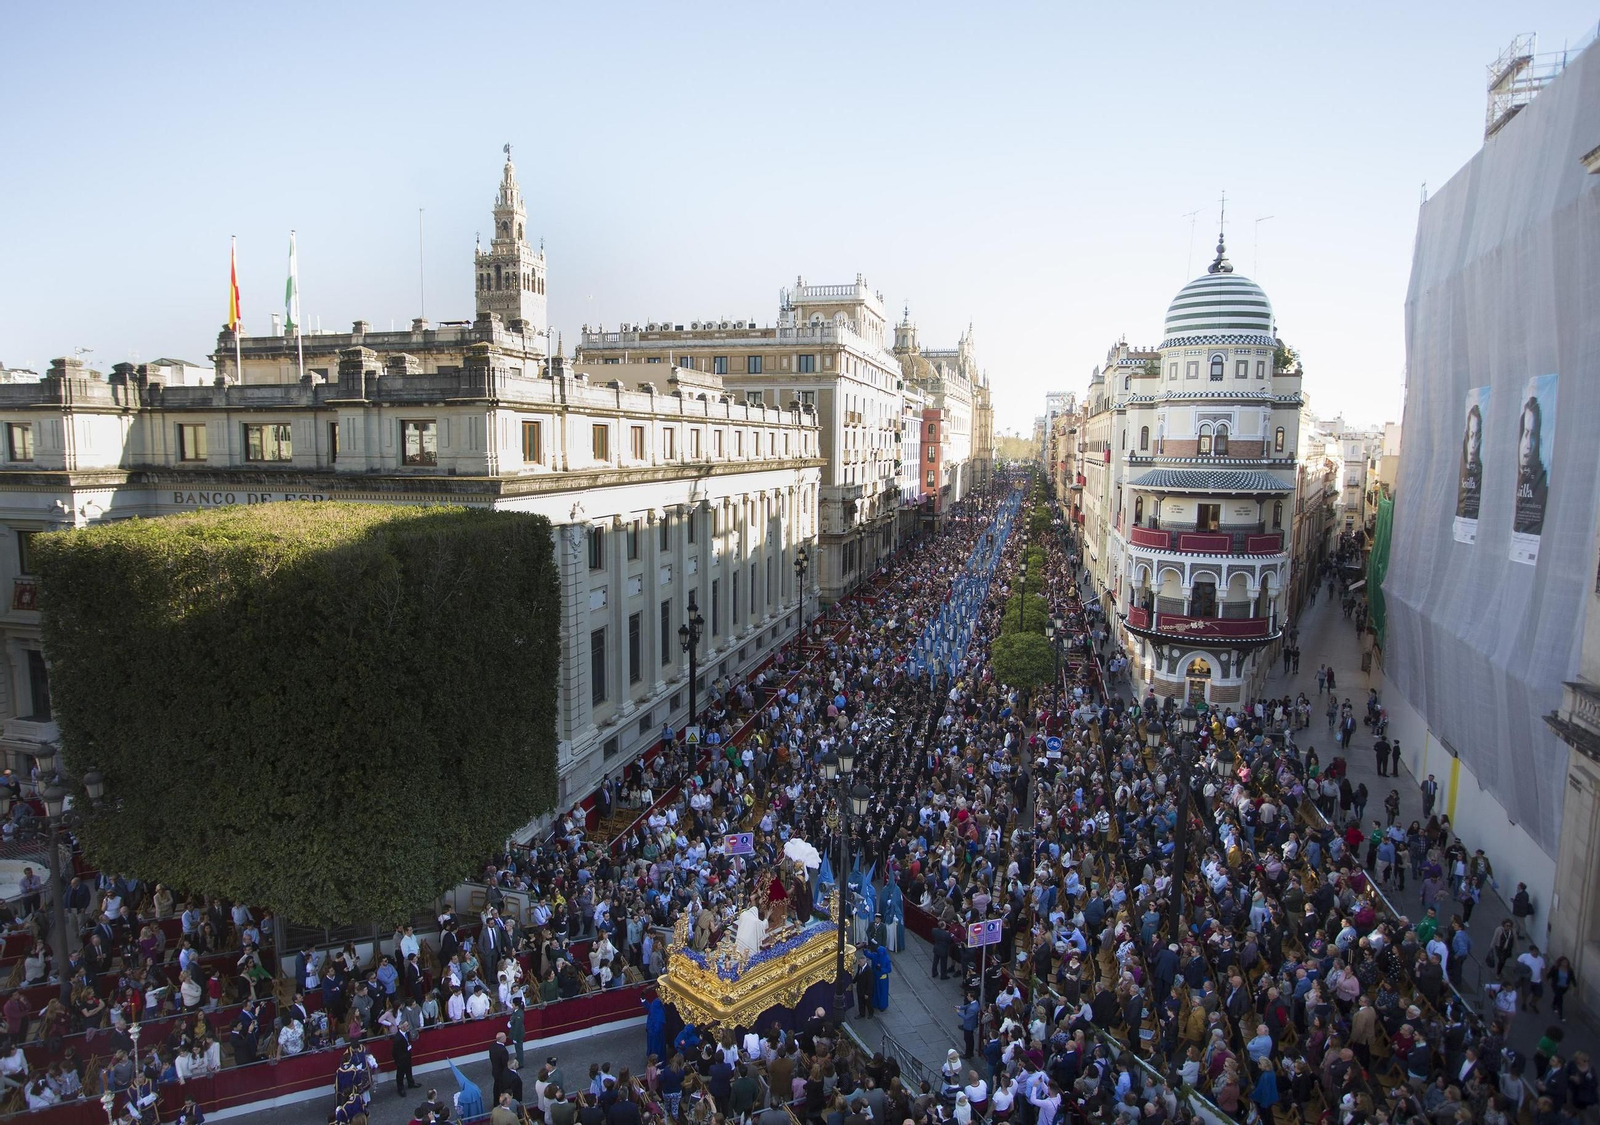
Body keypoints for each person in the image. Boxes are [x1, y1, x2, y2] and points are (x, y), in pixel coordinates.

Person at [393, 1021, 417, 1096]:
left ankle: (411, 1083)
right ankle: (400, 1088)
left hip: (407, 1056)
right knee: (400, 1074)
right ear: (402, 1027)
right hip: (401, 1059)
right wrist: (397, 1061)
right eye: (406, 1026)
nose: (408, 1027)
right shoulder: (398, 1038)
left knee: (408, 1070)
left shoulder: (406, 1033)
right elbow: (394, 1051)